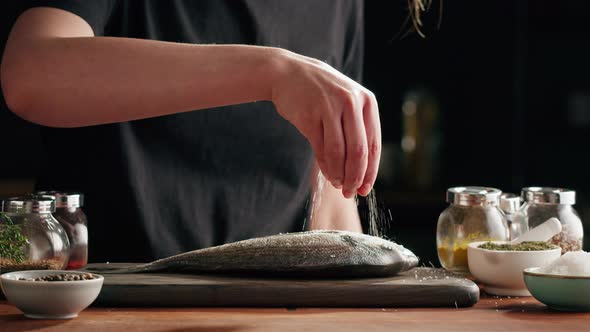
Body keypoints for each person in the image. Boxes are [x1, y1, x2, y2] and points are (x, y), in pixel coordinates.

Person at [0, 1, 381, 263]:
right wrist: (272, 72)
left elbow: (329, 200)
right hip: (104, 308)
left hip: (266, 316)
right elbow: (30, 75)